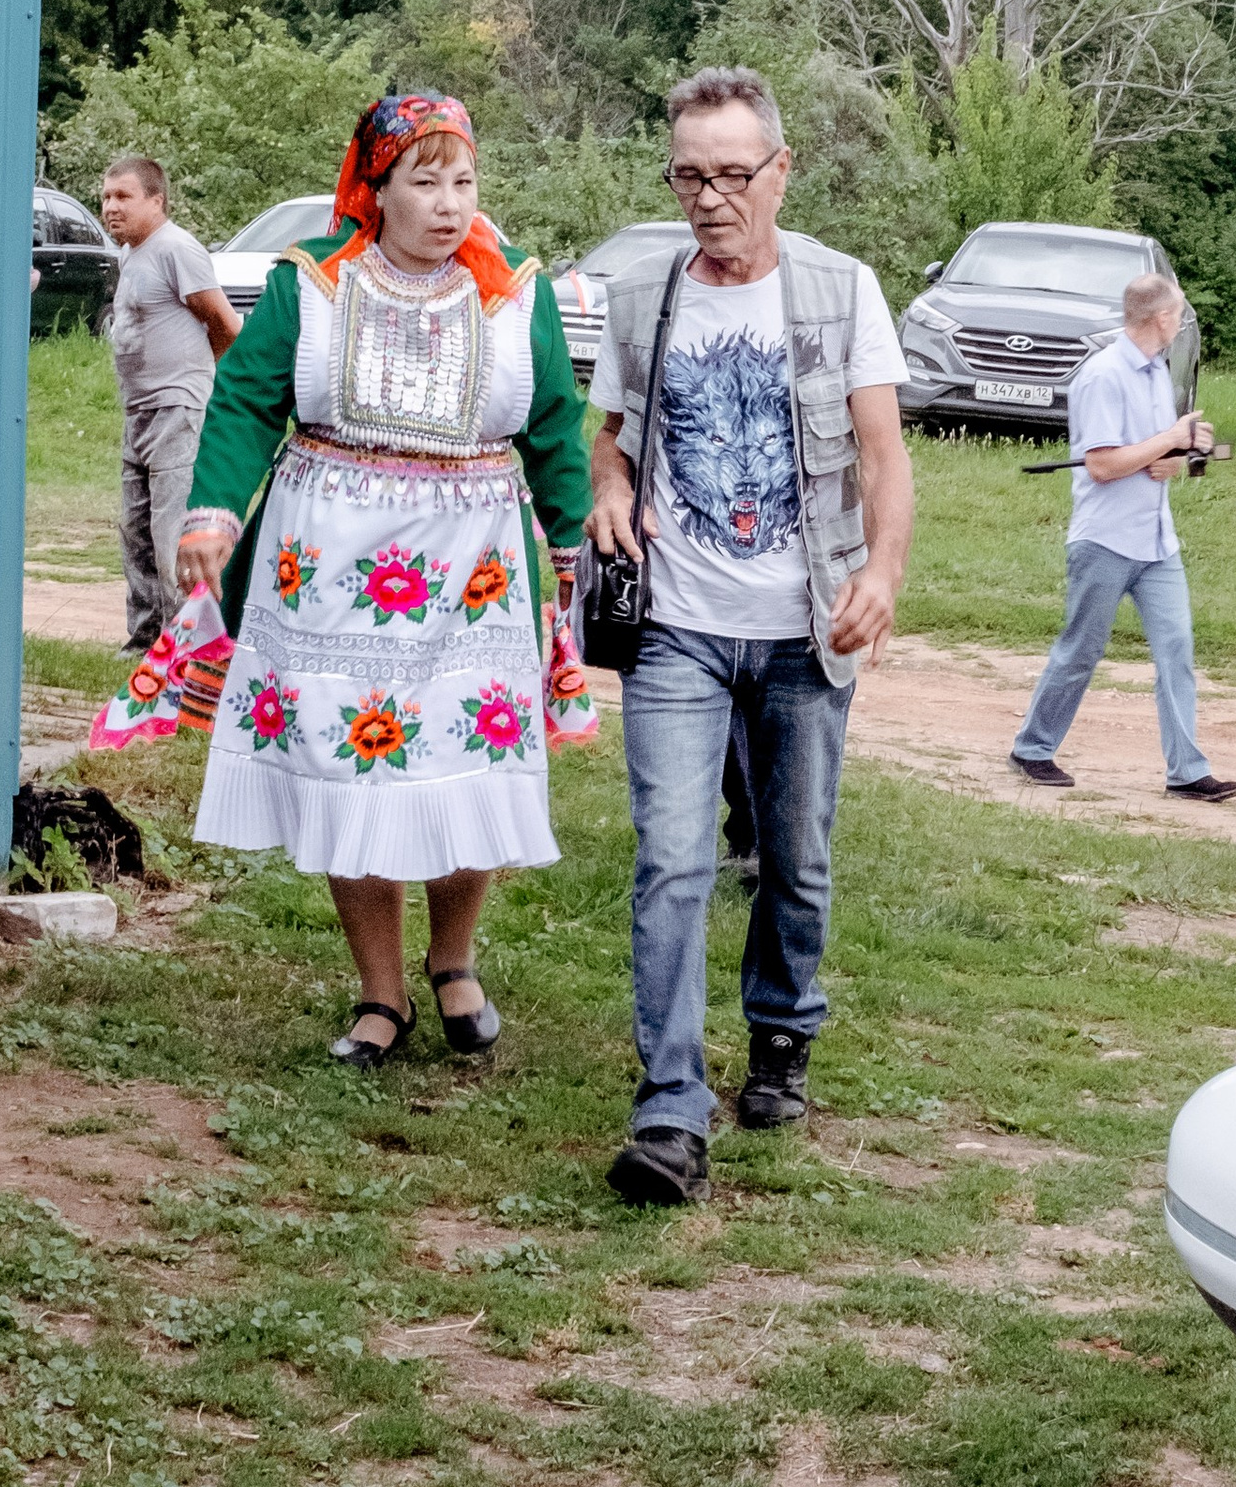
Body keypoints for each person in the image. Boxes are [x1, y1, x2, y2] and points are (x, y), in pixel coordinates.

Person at [171, 93, 592, 1068]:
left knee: (463, 759)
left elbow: (554, 426)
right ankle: (381, 994)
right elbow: (244, 401)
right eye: (424, 181)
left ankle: (454, 961)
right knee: (349, 766)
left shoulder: (509, 293)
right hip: (328, 573)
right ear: (377, 188)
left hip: (471, 577)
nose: (449, 204)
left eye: (464, 181)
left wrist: (567, 547)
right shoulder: (309, 285)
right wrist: (213, 509)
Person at [586, 67, 914, 1207]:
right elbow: (611, 434)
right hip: (677, 623)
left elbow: (882, 455)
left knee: (794, 856)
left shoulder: (840, 289)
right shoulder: (641, 294)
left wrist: (881, 572)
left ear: (782, 171)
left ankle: (782, 1031)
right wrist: (609, 487)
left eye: (734, 173)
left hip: (803, 628)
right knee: (672, 859)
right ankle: (670, 1110)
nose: (711, 197)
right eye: (690, 175)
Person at [1008, 275, 1236, 806]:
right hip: (1105, 540)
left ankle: (1187, 770)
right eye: (1178, 314)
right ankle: (1033, 748)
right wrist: (1169, 439)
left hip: (1158, 542)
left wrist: (1182, 455)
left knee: (1177, 648)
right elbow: (1101, 464)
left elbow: (1149, 457)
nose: (1181, 324)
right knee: (1082, 650)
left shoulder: (1158, 372)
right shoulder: (1103, 376)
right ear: (1160, 319)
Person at [100, 155, 239, 651]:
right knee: (134, 529)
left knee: (169, 533)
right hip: (137, 410)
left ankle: (185, 647)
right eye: (107, 197)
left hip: (176, 409)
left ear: (156, 201)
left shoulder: (177, 249)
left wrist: (199, 379)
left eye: (124, 197)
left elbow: (225, 324)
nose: (111, 207)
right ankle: (143, 641)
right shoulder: (130, 253)